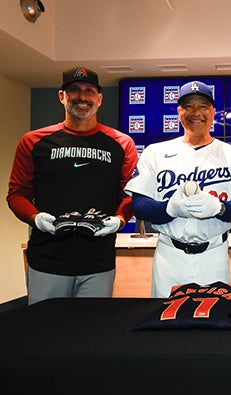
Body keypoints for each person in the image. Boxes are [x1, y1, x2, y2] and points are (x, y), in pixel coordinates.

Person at [6, 66, 138, 305]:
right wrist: (35, 218)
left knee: (91, 334)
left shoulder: (122, 143)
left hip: (98, 260)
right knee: (45, 331)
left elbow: (130, 194)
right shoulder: (34, 141)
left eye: (89, 91)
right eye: (74, 90)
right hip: (47, 257)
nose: (82, 97)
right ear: (61, 96)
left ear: (99, 98)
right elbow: (16, 193)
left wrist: (119, 219)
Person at [124, 80, 231, 298]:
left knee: (214, 322)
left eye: (203, 106)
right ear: (179, 112)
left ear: (213, 112)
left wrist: (219, 208)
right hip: (169, 256)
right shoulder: (155, 152)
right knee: (166, 325)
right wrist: (169, 209)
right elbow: (139, 206)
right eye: (188, 106)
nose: (196, 112)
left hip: (214, 255)